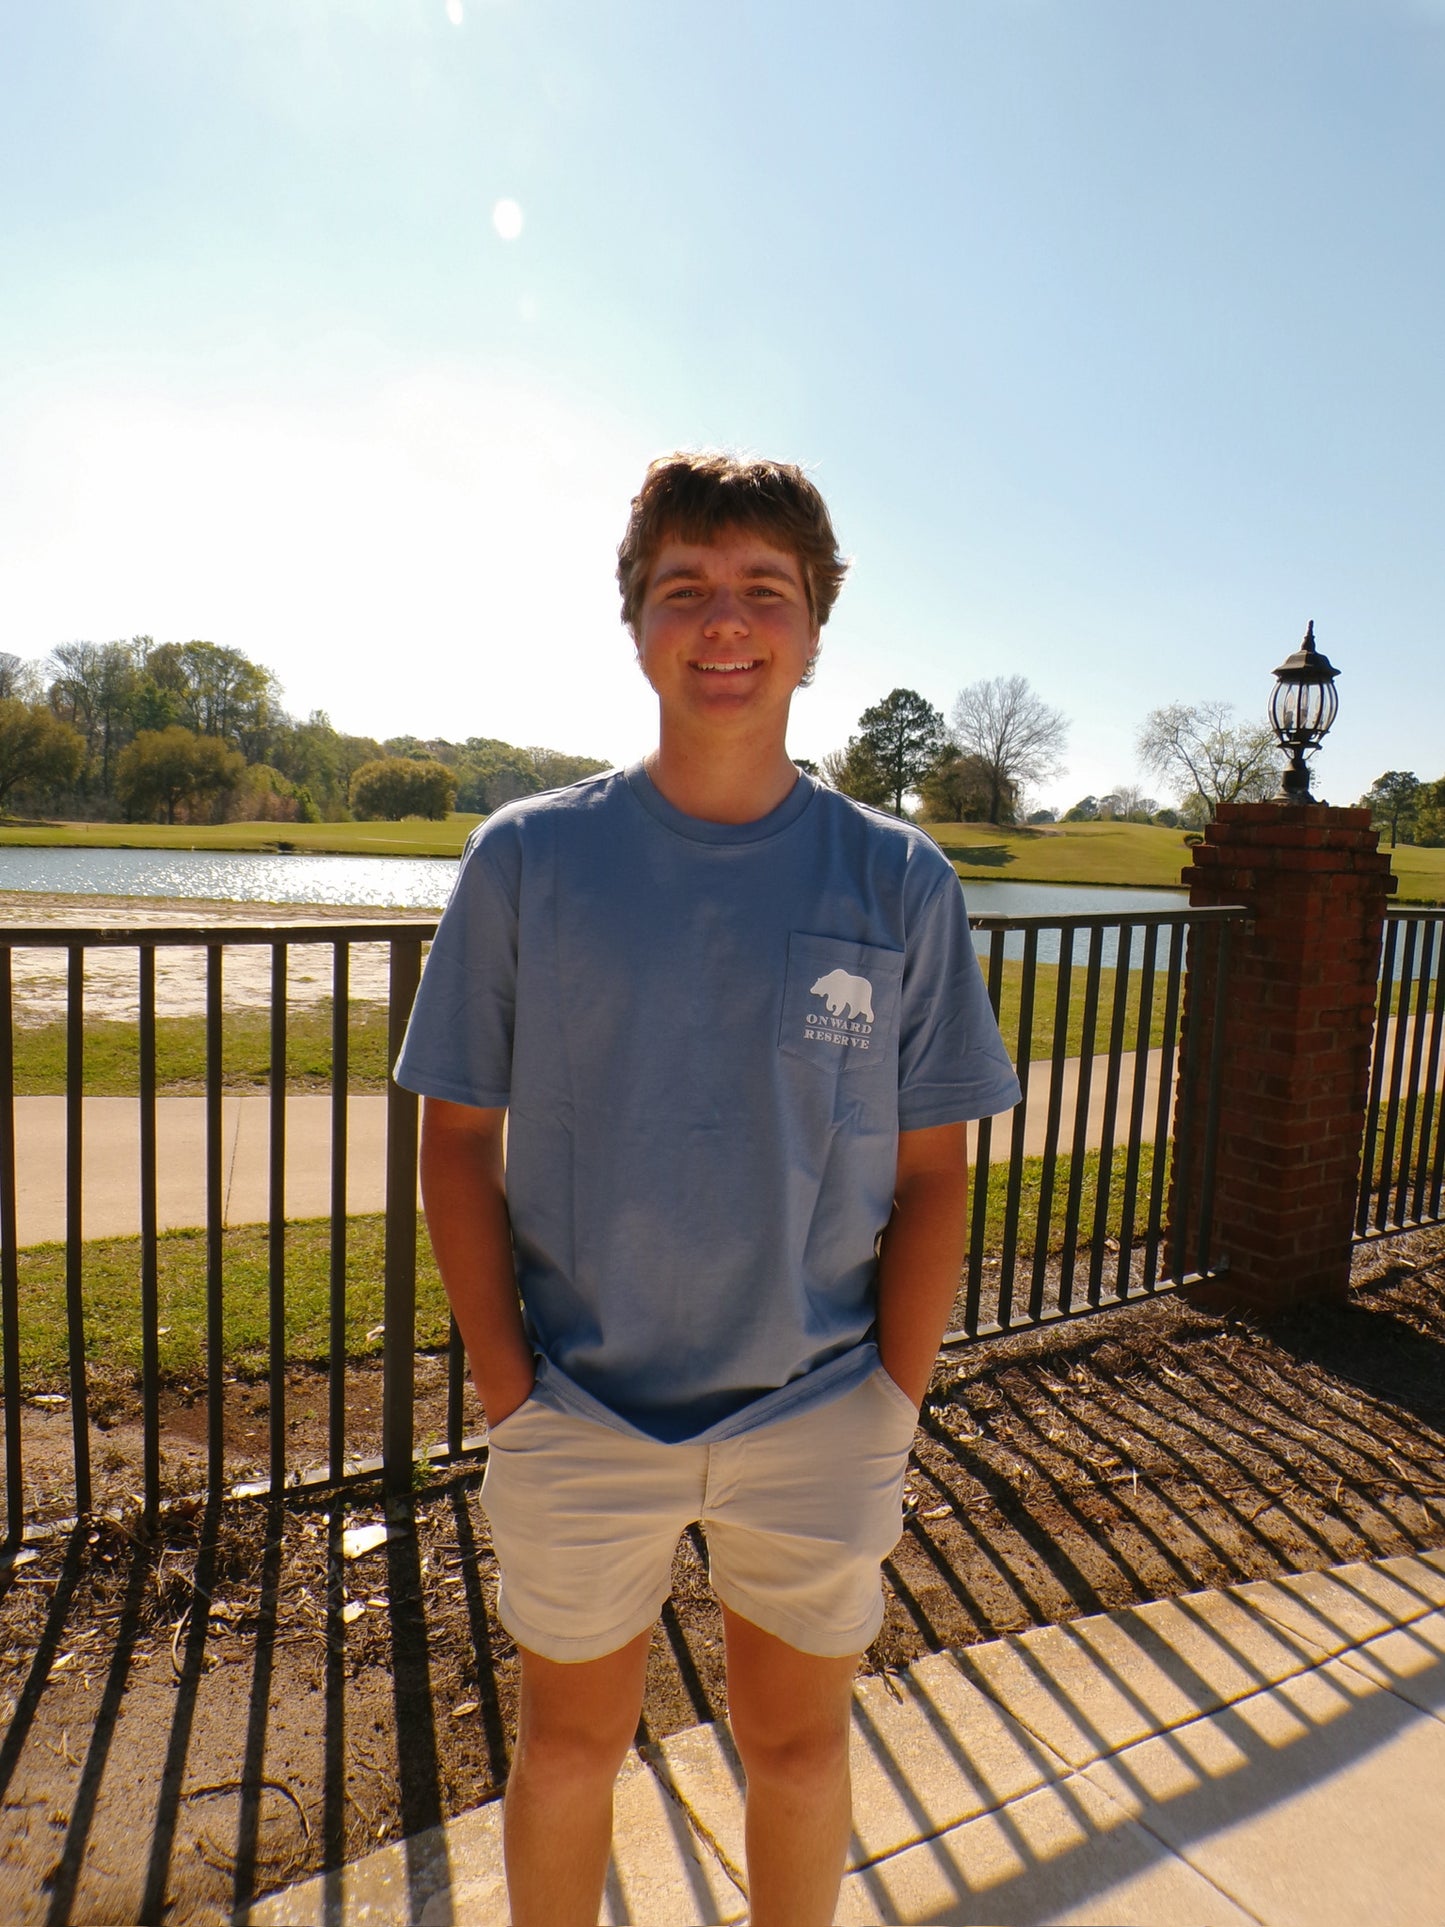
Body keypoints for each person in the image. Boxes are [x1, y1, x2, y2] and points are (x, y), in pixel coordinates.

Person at [394, 451, 1021, 1926]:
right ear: (636, 624)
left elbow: (935, 1172)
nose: (723, 623)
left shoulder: (897, 881)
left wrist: (894, 1396)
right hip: (580, 1410)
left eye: (763, 593)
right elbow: (452, 1141)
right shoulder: (530, 859)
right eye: (685, 590)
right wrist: (509, 1390)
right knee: (562, 1756)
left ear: (812, 629)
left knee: (795, 1752)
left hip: (817, 1411)